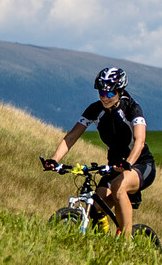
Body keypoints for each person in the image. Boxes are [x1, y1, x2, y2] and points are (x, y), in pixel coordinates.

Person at [43, 67, 155, 237]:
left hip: (139, 164)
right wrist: (54, 160)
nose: (105, 97)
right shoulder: (95, 110)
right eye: (101, 93)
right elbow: (72, 136)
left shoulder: (131, 108)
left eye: (110, 94)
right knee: (95, 205)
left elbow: (139, 142)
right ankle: (102, 239)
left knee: (118, 187)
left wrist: (128, 164)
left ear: (120, 91)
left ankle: (126, 243)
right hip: (114, 166)